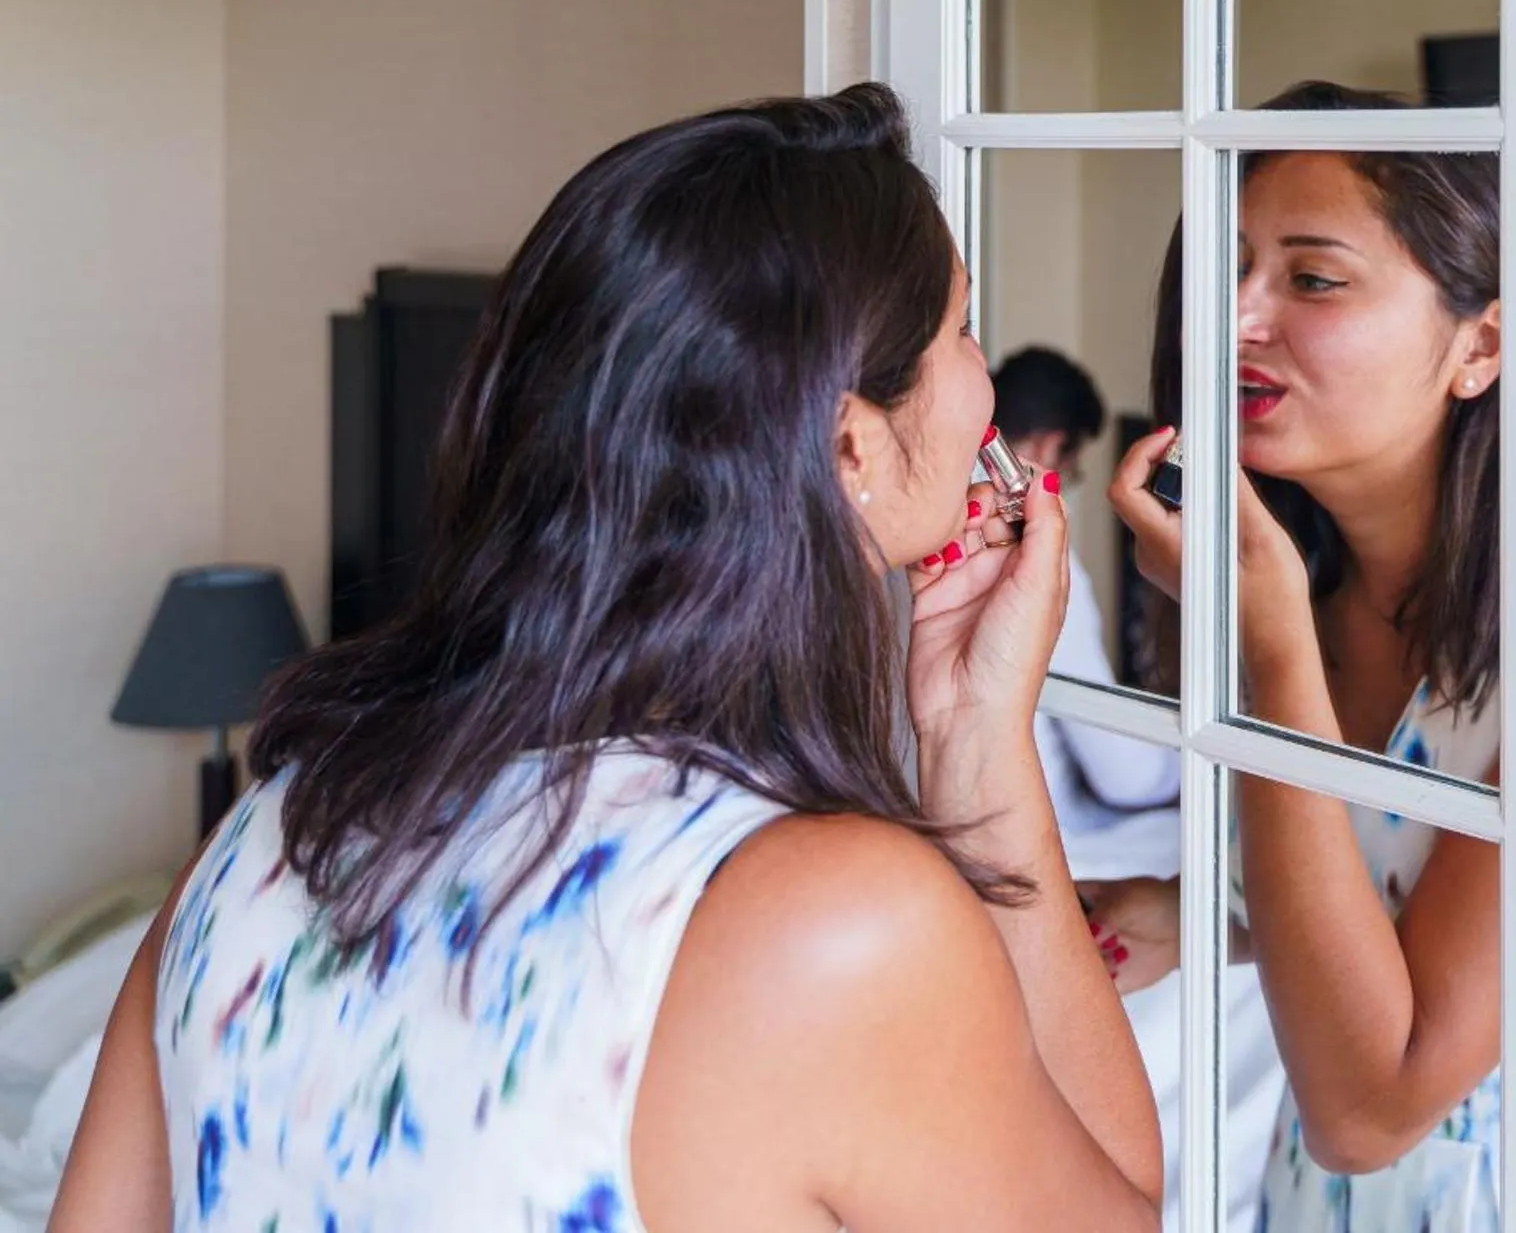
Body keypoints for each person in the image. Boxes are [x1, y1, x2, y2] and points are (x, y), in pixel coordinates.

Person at [51, 89, 1161, 1232]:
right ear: (848, 442)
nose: (985, 383)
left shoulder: (263, 841)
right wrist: (982, 759)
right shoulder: (838, 925)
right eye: (961, 329)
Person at [1103, 82, 1505, 1231]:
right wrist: (1187, 915)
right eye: (1224, 271)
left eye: (1312, 278)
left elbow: (1371, 1109)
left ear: (1479, 344)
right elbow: (1363, 897)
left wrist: (1272, 643)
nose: (1235, 320)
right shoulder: (1294, 588)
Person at [992, 347, 1181, 822]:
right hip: (1049, 828)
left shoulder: (937, 520)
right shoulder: (1037, 549)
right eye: (1071, 469)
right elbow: (1125, 778)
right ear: (1047, 447)